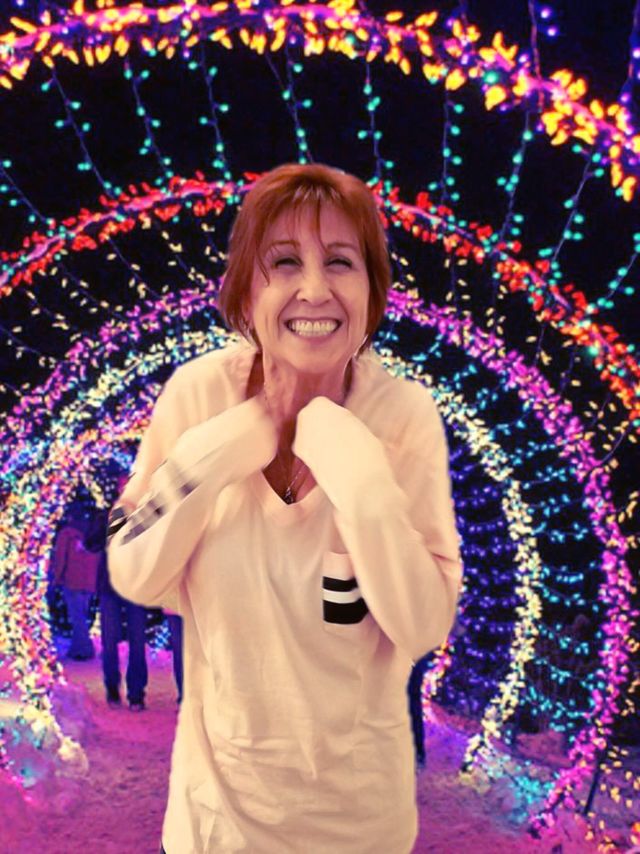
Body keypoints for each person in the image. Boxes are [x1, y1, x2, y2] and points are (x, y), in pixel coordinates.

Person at [108, 163, 462, 854]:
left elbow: (422, 621)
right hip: (215, 823)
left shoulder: (404, 416)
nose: (315, 289)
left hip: (359, 827)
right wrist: (221, 449)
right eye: (285, 262)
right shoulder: (198, 396)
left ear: (371, 291)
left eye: (341, 262)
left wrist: (363, 485)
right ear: (248, 287)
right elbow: (134, 568)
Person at [87, 501, 149, 711]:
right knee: (110, 640)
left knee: (136, 640)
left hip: (133, 586)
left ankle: (136, 693)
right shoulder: (106, 514)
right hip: (111, 586)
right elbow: (91, 543)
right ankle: (113, 687)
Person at [52, 510, 98, 661]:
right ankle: (77, 647)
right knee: (81, 616)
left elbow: (61, 558)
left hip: (72, 581)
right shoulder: (92, 534)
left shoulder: (66, 534)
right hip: (89, 583)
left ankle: (84, 649)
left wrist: (56, 579)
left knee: (77, 617)